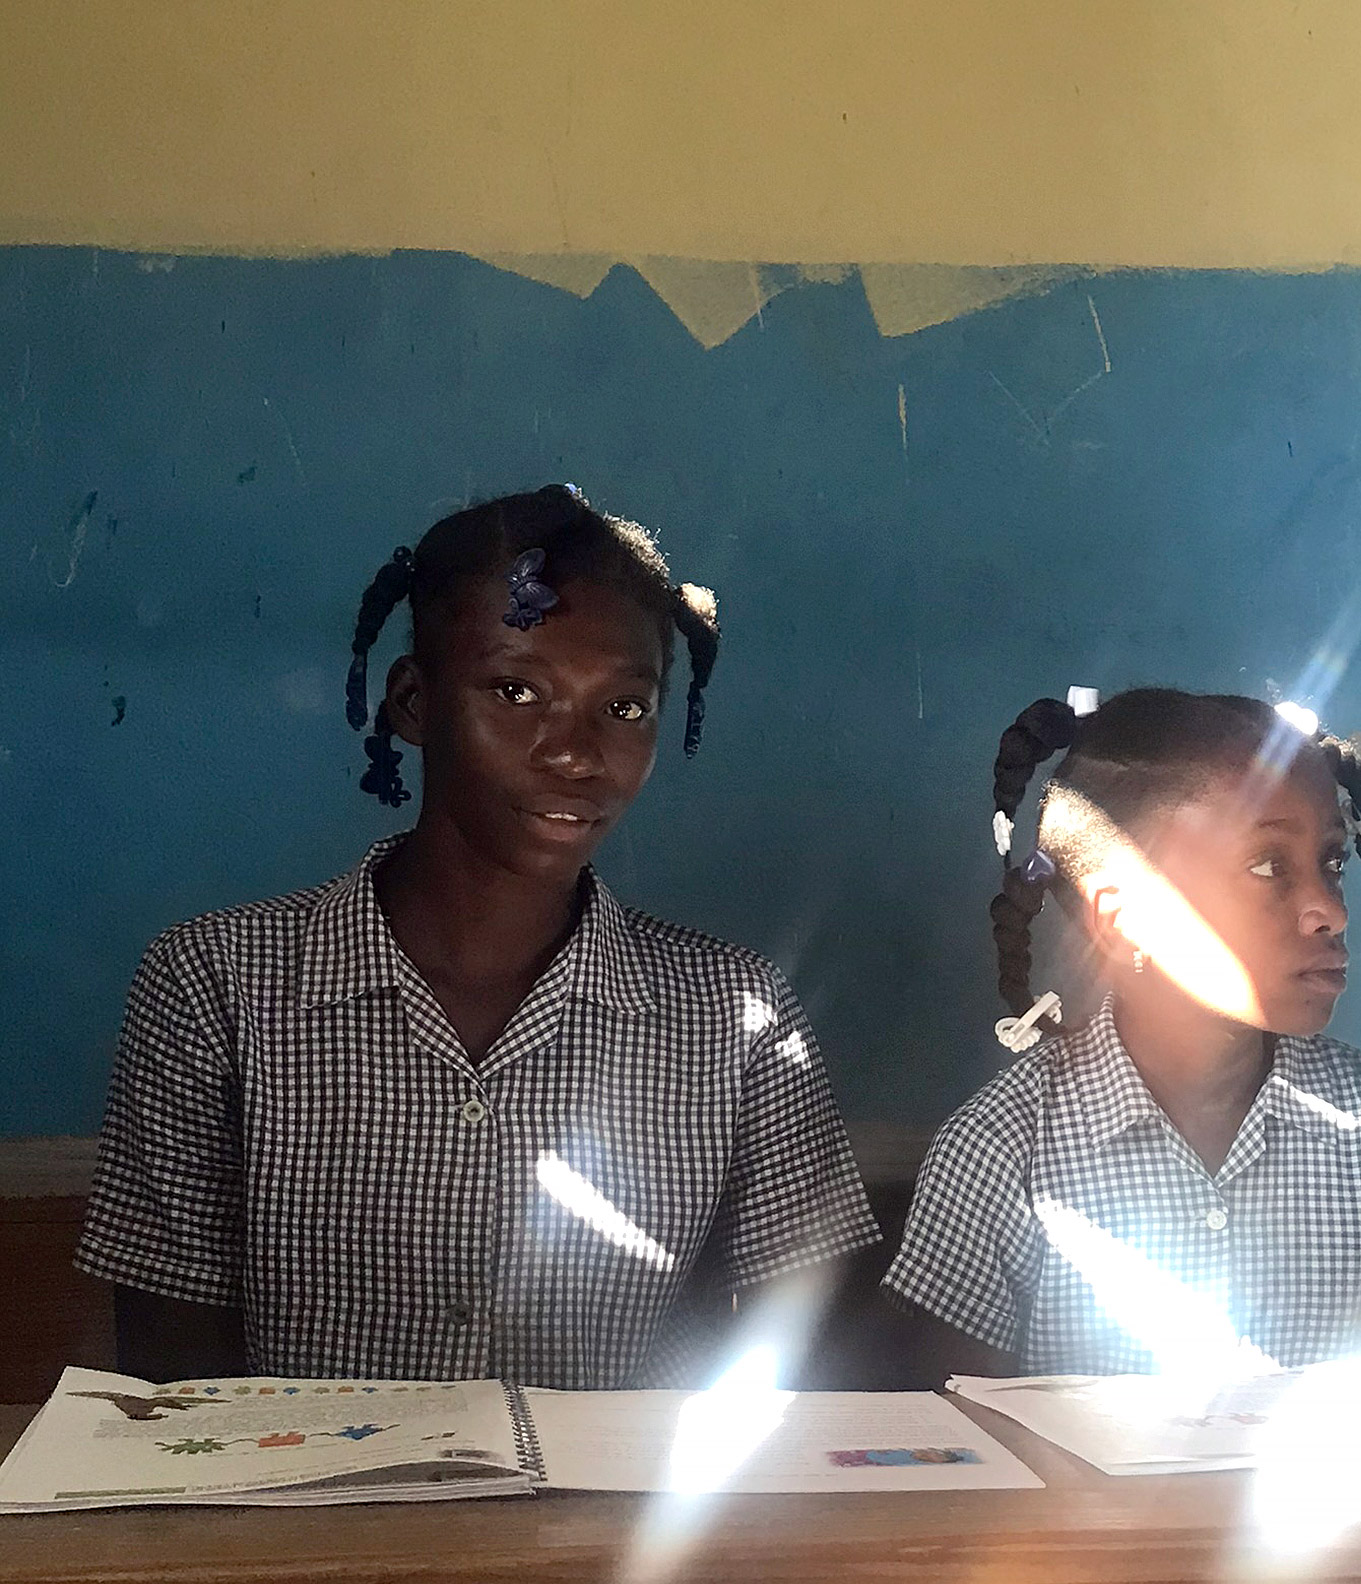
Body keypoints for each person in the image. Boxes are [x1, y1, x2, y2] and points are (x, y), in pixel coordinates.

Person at [78, 484, 878, 1386]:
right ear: (414, 704)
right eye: (516, 690)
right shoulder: (218, 985)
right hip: (304, 1527)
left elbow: (803, 1369)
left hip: (610, 1526)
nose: (575, 752)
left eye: (624, 708)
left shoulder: (733, 1015)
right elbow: (169, 1395)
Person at [881, 688, 1361, 1379]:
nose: (1329, 911)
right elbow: (968, 1450)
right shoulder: (1002, 1150)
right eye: (1268, 866)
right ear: (1122, 917)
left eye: (1332, 864)